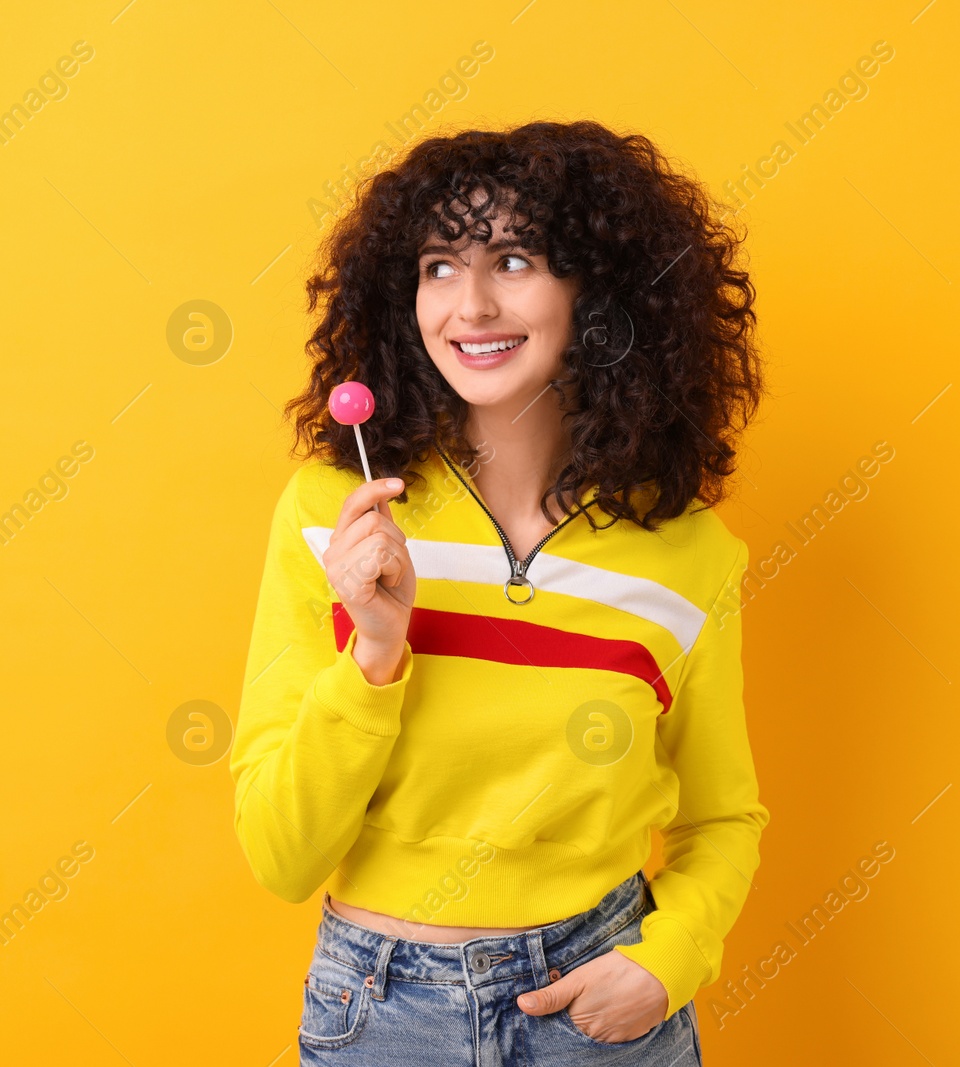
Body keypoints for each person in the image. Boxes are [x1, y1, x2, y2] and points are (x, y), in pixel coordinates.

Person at [229, 119, 769, 1065]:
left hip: (602, 1005)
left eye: (513, 260)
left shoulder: (689, 555)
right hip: (383, 1010)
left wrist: (671, 958)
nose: (468, 304)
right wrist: (375, 655)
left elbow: (723, 816)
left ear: (594, 293)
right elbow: (281, 856)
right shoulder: (333, 517)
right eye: (438, 266)